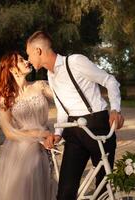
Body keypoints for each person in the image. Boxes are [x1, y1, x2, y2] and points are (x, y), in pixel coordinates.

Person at [26, 31, 124, 200]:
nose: (28, 59)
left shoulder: (75, 61)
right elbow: (63, 109)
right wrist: (58, 134)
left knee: (104, 190)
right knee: (65, 192)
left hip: (97, 125)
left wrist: (115, 109)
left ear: (38, 51)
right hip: (73, 131)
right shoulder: (50, 75)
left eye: (28, 54)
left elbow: (110, 80)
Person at [0, 51, 57, 200]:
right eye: (21, 60)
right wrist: (38, 134)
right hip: (21, 151)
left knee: (44, 187)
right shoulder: (5, 97)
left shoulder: (40, 86)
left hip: (44, 146)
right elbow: (8, 132)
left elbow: (63, 99)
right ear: (12, 69)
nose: (27, 61)